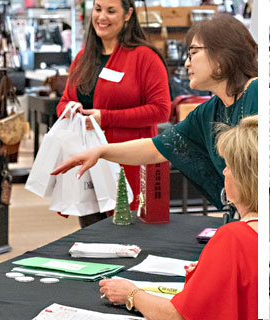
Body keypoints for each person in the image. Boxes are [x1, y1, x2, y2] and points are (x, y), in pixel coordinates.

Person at [51, 15, 258, 220]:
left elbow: (159, 111)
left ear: (221, 58)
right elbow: (157, 147)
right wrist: (101, 151)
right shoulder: (209, 111)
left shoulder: (256, 93)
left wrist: (106, 124)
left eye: (193, 53)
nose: (187, 63)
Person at [96, 116, 258, 320]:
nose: (224, 172)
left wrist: (131, 294)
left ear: (244, 177)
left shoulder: (233, 238)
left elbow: (178, 315)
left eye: (228, 166)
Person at [58, 0, 172, 227]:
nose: (101, 17)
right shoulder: (83, 57)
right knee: (90, 234)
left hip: (127, 166)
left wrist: (106, 117)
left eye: (111, 11)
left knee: (127, 234)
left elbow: (161, 110)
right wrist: (71, 111)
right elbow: (65, 101)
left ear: (128, 14)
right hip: (89, 165)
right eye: (98, 9)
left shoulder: (145, 58)